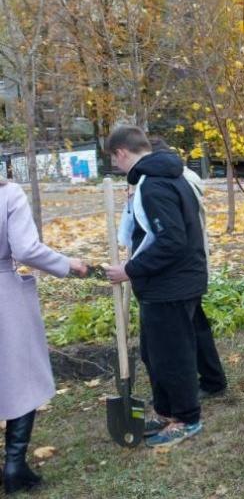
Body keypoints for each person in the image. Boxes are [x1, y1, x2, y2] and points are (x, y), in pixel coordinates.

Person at [105, 127, 208, 448]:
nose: (117, 167)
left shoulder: (154, 185)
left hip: (171, 286)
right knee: (154, 353)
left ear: (121, 153)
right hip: (168, 284)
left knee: (172, 356)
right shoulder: (163, 176)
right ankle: (166, 411)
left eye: (114, 160)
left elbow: (172, 240)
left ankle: (187, 418)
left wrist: (130, 269)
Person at [0, 180, 88, 493]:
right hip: (3, 296)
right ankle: (14, 466)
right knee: (21, 376)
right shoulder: (7, 193)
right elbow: (25, 249)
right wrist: (67, 263)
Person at [144, 137, 227, 400]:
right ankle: (213, 379)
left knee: (181, 335)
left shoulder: (168, 181)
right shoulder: (182, 176)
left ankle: (189, 393)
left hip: (180, 270)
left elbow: (172, 234)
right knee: (195, 324)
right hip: (191, 265)